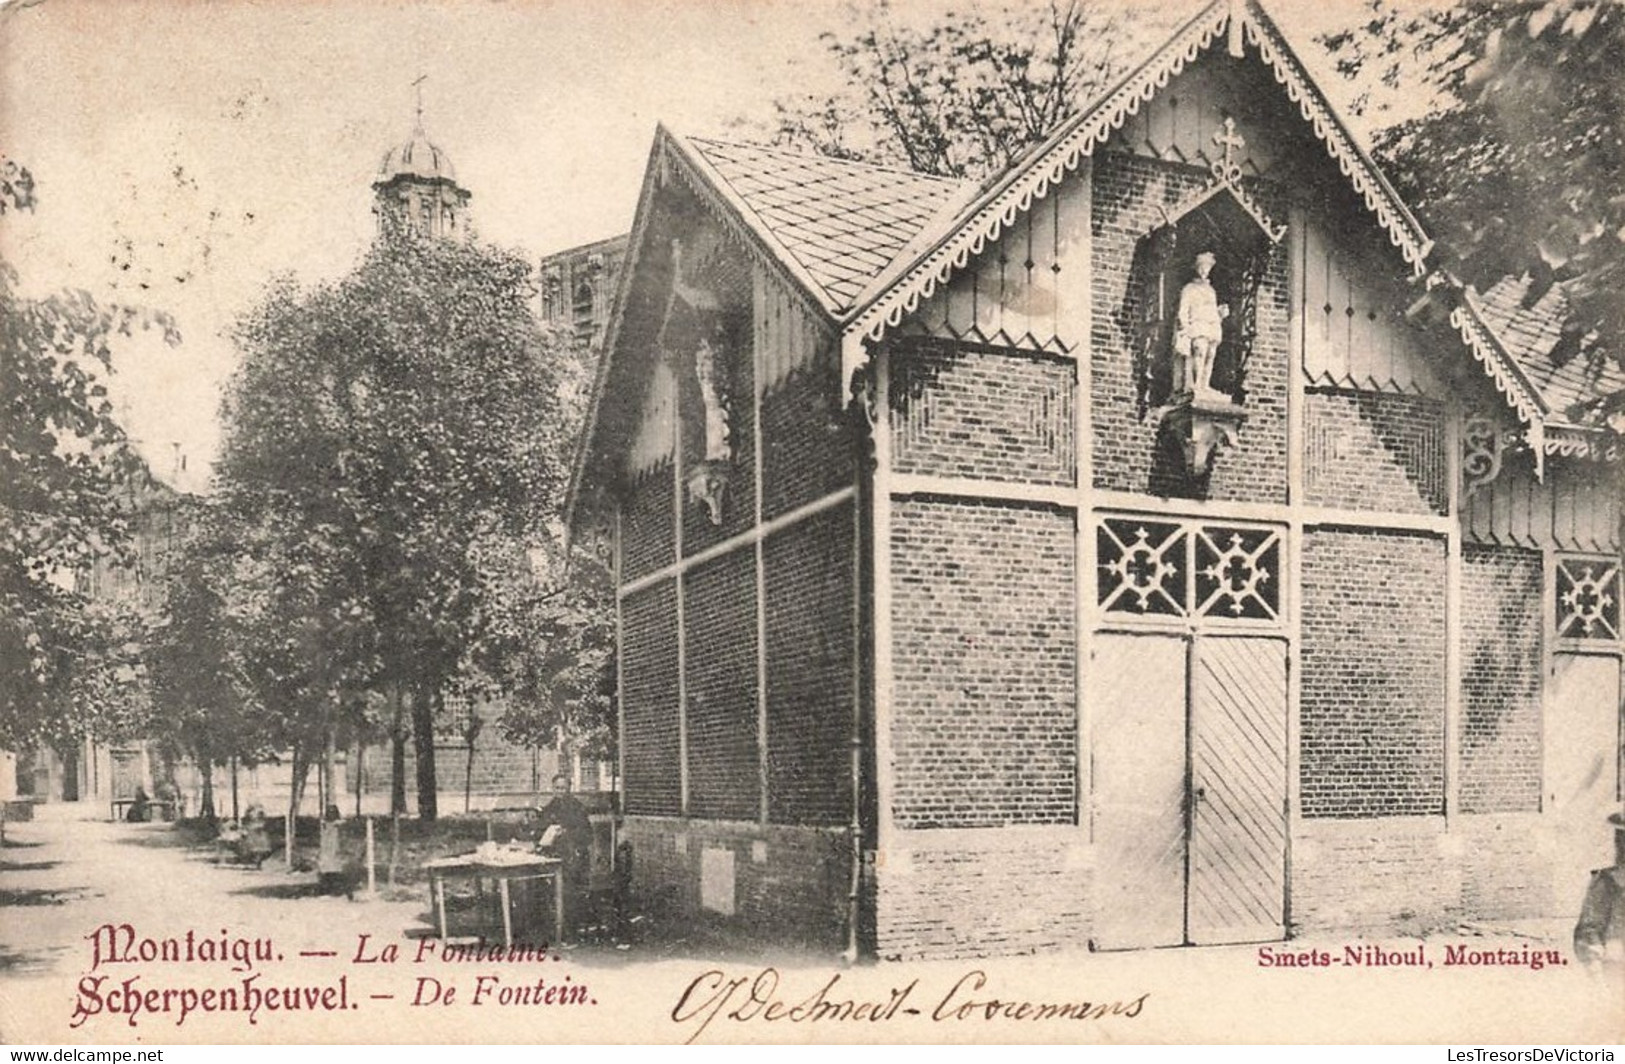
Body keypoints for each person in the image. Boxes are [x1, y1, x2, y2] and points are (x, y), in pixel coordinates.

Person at [534, 774, 593, 940]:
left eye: (563, 788)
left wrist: (566, 832)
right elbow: (541, 831)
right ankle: (547, 929)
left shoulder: (577, 808)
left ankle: (570, 931)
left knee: (569, 893)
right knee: (541, 889)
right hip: (554, 857)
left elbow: (588, 835)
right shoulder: (550, 807)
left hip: (574, 859)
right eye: (557, 788)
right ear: (553, 789)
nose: (560, 791)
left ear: (569, 789)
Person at [1173, 250, 1229, 396]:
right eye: (1201, 267)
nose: (1204, 270)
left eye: (1207, 268)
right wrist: (1184, 326)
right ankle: (1196, 384)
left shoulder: (1211, 291)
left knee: (1211, 354)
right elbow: (1183, 309)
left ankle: (1205, 384)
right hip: (1197, 325)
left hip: (1211, 325)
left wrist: (1220, 312)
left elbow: (1211, 310)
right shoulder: (1189, 289)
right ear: (1197, 268)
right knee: (1200, 351)